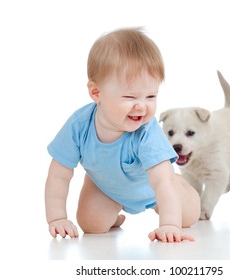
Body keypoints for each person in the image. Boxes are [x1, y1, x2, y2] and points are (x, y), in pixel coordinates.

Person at [45, 27, 200, 242]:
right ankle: (112, 214)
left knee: (188, 215)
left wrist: (168, 225)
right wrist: (57, 218)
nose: (141, 107)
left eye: (150, 96)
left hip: (155, 188)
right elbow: (59, 174)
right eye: (130, 96)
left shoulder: (147, 132)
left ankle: (182, 185)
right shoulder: (79, 126)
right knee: (92, 225)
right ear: (96, 93)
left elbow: (162, 183)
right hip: (105, 186)